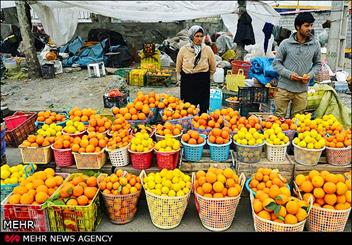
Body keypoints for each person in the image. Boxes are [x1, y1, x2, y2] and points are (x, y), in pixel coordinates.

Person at [273, 12, 321, 118]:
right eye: (306, 25)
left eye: (311, 25)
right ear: (298, 27)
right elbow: (276, 63)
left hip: (302, 90)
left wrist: (310, 75)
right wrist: (289, 74)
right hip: (284, 89)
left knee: (298, 121)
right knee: (278, 118)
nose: (310, 28)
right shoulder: (285, 44)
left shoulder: (315, 44)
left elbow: (318, 64)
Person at [176, 25, 216, 114]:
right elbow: (178, 66)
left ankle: (203, 121)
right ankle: (189, 122)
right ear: (191, 36)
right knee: (188, 106)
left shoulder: (207, 49)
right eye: (197, 36)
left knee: (203, 105)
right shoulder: (183, 49)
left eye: (201, 36)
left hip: (203, 79)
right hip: (188, 79)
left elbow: (213, 66)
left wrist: (208, 76)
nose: (199, 38)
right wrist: (180, 75)